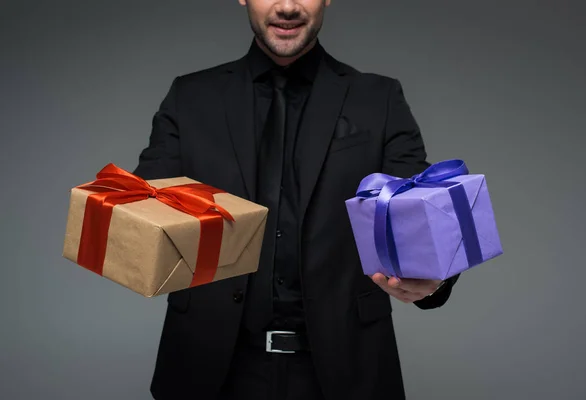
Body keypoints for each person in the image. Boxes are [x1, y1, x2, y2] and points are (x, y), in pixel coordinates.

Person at [133, 1, 460, 399]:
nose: (287, 6)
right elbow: (145, 211)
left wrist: (434, 277)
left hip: (345, 371)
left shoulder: (379, 98)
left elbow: (418, 215)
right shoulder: (189, 97)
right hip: (208, 369)